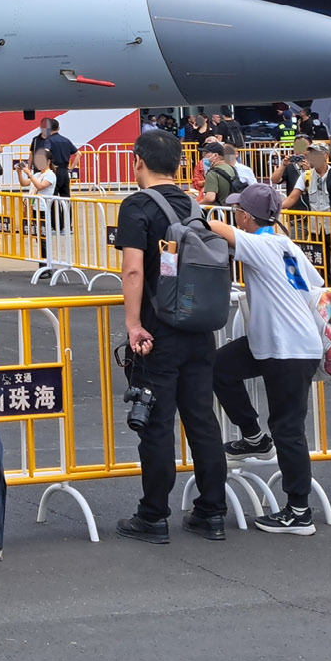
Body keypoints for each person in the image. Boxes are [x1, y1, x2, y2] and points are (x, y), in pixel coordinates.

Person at [114, 128, 231, 545]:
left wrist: (133, 325)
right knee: (202, 421)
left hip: (157, 332)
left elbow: (133, 270)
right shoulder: (194, 206)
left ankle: (153, 515)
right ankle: (212, 511)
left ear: (138, 162)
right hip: (199, 327)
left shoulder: (137, 207)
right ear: (180, 164)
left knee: (157, 423)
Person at [208, 183, 326, 535]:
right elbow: (314, 284)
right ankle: (254, 436)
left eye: (237, 210)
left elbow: (213, 227)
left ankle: (299, 509)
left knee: (288, 428)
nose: (235, 215)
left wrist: (189, 208)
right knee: (220, 366)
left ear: (246, 215)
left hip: (287, 347)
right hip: (276, 342)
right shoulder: (286, 245)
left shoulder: (260, 244)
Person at [282, 141, 331, 214]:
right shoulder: (306, 176)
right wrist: (275, 208)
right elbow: (292, 198)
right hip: (314, 222)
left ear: (326, 156)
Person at [199, 138, 240, 207]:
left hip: (219, 213)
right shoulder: (231, 168)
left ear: (215, 155)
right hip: (231, 211)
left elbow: (210, 198)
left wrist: (198, 206)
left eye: (206, 153)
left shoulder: (212, 173)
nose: (203, 156)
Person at [43, 119, 77, 198]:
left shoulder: (48, 140)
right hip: (65, 171)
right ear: (58, 128)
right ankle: (67, 211)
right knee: (66, 197)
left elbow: (46, 152)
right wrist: (71, 168)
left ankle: (54, 211)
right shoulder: (66, 140)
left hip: (54, 170)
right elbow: (78, 154)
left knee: (53, 197)